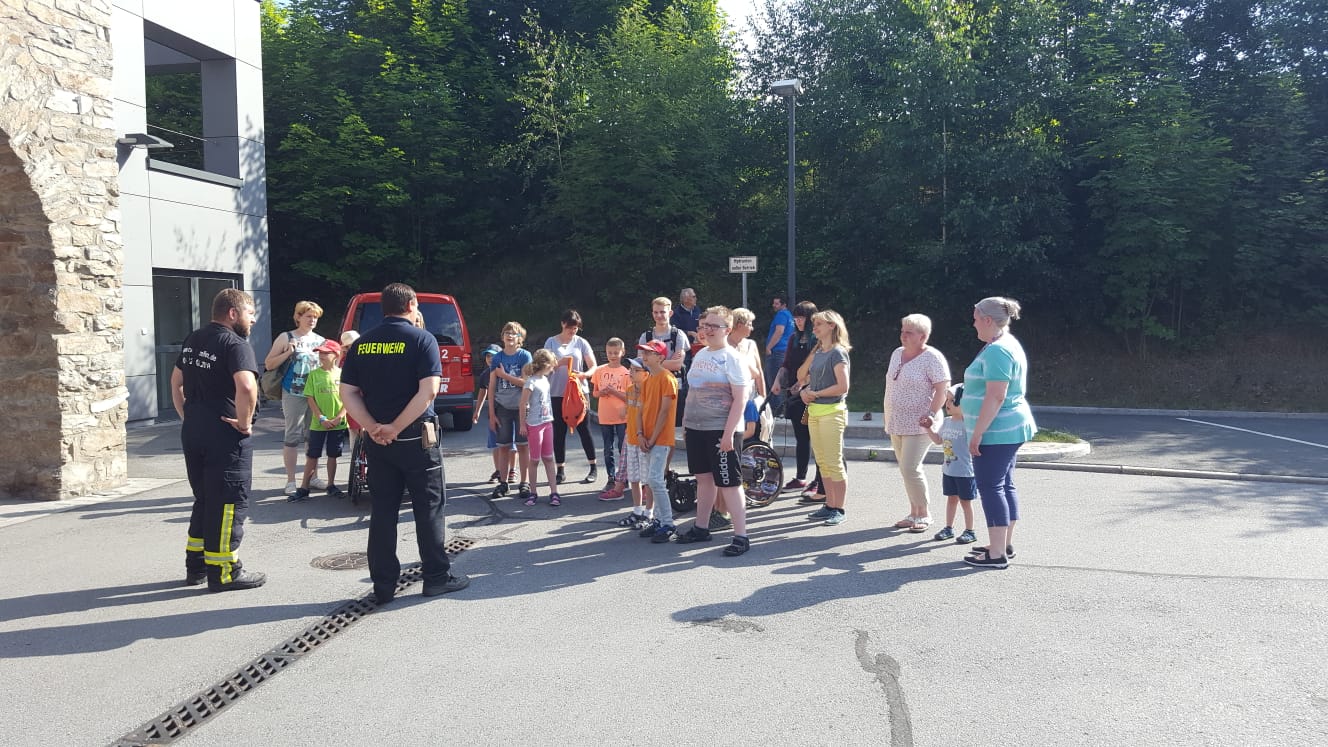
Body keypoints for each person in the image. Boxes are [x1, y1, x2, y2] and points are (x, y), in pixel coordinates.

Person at [339, 282, 469, 603]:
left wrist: (373, 427)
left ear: (384, 308)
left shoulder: (362, 343)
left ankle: (383, 586)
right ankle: (436, 578)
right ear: (411, 305)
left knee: (383, 512)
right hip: (416, 438)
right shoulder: (422, 339)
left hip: (378, 442)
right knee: (429, 508)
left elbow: (347, 393)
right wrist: (396, 427)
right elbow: (429, 391)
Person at [171, 288, 265, 592]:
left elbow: (176, 382)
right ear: (233, 313)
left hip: (194, 431)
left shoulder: (193, 339)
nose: (253, 320)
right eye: (250, 313)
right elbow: (247, 386)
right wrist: (245, 423)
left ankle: (196, 566)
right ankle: (225, 572)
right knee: (227, 502)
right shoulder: (235, 344)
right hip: (225, 436)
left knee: (205, 499)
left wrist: (187, 416)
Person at [962, 297, 1037, 569]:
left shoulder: (997, 350)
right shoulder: (1005, 343)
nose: (973, 324)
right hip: (1008, 428)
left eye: (975, 318)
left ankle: (996, 554)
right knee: (1004, 485)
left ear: (987, 320)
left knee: (991, 487)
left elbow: (996, 395)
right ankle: (1002, 544)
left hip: (997, 431)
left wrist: (977, 433)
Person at [674, 306, 753, 557]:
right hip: (696, 428)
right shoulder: (701, 354)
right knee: (703, 479)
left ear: (727, 330)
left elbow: (740, 399)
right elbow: (692, 392)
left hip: (721, 429)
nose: (707, 330)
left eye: (714, 326)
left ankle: (741, 536)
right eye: (705, 325)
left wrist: (728, 434)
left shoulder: (733, 358)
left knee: (729, 483)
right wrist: (686, 423)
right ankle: (701, 527)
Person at [882, 313, 951, 534]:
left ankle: (924, 513)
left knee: (910, 467)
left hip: (920, 423)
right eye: (902, 331)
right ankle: (913, 512)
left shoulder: (933, 357)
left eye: (909, 333)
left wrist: (931, 413)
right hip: (896, 420)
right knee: (905, 469)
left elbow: (942, 389)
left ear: (923, 336)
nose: (903, 335)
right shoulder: (897, 353)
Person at [264, 301, 326, 495]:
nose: (312, 320)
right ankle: (291, 480)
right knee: (292, 436)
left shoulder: (320, 340)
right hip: (293, 391)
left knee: (313, 436)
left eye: (315, 317)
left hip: (315, 394)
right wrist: (289, 352)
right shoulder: (286, 337)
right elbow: (269, 363)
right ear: (298, 317)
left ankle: (312, 477)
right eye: (308, 316)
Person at [798, 310, 852, 527]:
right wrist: (805, 391)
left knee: (834, 462)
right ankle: (829, 505)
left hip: (832, 412)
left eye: (819, 323)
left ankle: (839, 508)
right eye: (814, 324)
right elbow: (803, 377)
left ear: (832, 326)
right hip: (815, 412)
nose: (815, 327)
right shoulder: (820, 352)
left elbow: (843, 386)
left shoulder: (838, 352)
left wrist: (816, 394)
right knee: (822, 462)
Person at [544, 309, 598, 484]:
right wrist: (559, 363)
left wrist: (584, 375)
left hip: (578, 392)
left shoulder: (581, 342)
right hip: (556, 392)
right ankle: (560, 469)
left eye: (575, 328)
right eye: (570, 328)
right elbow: (543, 367)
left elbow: (593, 366)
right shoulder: (551, 342)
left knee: (584, 429)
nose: (572, 331)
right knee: (559, 432)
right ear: (563, 324)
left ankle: (593, 467)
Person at [291, 339, 349, 502]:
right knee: (312, 455)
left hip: (338, 423)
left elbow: (348, 398)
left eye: (325, 353)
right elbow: (310, 397)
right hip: (318, 424)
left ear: (336, 355)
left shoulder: (342, 374)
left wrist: (339, 417)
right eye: (320, 353)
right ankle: (304, 488)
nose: (321, 356)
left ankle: (331, 485)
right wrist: (321, 417)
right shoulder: (314, 374)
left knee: (333, 455)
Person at [634, 341, 680, 543]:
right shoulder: (647, 380)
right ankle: (660, 520)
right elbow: (640, 410)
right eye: (643, 352)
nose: (644, 356)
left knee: (655, 480)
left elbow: (665, 411)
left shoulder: (667, 379)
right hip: (647, 438)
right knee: (652, 480)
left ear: (660, 357)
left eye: (649, 353)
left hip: (660, 438)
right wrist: (640, 434)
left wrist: (652, 438)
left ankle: (668, 523)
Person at [920, 384, 978, 544]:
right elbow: (938, 440)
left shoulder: (969, 425)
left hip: (965, 472)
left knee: (965, 502)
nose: (948, 404)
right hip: (949, 470)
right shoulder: (946, 422)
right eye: (947, 400)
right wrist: (928, 429)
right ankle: (948, 528)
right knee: (951, 499)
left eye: (953, 401)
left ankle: (970, 531)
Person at [771, 301, 818, 495]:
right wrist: (777, 381)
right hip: (794, 395)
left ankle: (819, 481)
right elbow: (786, 364)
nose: (798, 321)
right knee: (801, 437)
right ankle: (800, 477)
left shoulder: (817, 340)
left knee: (817, 439)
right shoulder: (793, 338)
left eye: (801, 317)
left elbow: (818, 368)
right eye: (796, 317)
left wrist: (802, 384)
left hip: (812, 395)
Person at [489, 322, 533, 500]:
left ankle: (524, 482)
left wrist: (505, 375)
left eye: (514, 333)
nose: (509, 335)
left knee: (523, 446)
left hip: (521, 407)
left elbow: (526, 382)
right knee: (504, 447)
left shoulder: (524, 356)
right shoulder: (497, 358)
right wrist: (491, 414)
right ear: (502, 337)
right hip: (503, 407)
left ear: (520, 338)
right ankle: (503, 482)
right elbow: (492, 386)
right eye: (506, 332)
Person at [518, 349, 561, 506]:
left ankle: (554, 492)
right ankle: (533, 492)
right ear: (546, 364)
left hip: (547, 422)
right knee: (535, 460)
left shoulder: (545, 380)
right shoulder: (531, 382)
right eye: (552, 364)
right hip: (534, 424)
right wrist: (522, 424)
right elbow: (523, 404)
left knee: (549, 458)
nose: (553, 367)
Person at [614, 358, 653, 529]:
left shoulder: (649, 390)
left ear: (646, 374)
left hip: (644, 441)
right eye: (631, 369)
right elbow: (628, 412)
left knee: (647, 480)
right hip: (631, 439)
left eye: (636, 370)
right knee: (634, 478)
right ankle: (637, 511)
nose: (631, 372)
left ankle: (649, 513)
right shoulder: (630, 390)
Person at [591, 338, 632, 499]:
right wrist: (601, 393)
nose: (613, 356)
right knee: (608, 449)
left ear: (622, 353)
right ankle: (611, 477)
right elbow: (595, 393)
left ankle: (624, 478)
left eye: (616, 353)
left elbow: (629, 397)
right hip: (605, 415)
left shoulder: (626, 373)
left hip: (622, 417)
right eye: (610, 353)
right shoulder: (599, 371)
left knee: (623, 448)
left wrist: (614, 391)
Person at [472, 343, 510, 482]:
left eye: (493, 356)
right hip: (493, 414)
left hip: (508, 412)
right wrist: (477, 411)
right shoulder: (485, 375)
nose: (490, 358)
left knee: (511, 445)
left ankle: (512, 470)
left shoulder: (506, 371)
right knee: (495, 444)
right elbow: (483, 392)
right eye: (488, 356)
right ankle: (498, 470)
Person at [765, 294, 794, 412]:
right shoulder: (789, 315)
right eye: (774, 303)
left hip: (777, 351)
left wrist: (769, 347)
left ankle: (777, 410)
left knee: (773, 381)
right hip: (785, 351)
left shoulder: (781, 315)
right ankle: (782, 409)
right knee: (781, 381)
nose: (774, 305)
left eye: (777, 303)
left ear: (784, 304)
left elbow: (779, 331)